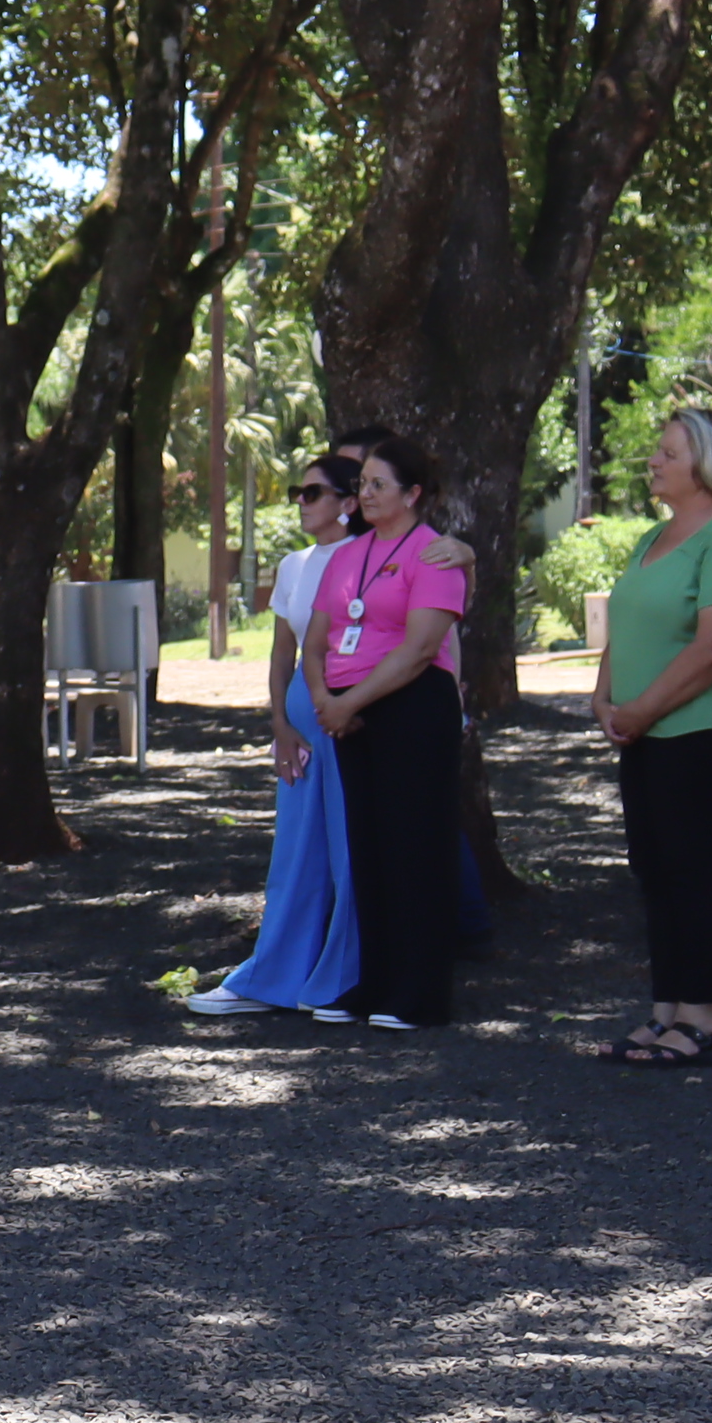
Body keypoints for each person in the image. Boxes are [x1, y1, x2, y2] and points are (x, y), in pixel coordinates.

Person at [580, 408, 712, 1066]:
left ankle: (703, 1021)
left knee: (695, 875)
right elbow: (628, 623)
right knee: (655, 874)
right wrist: (606, 698)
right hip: (644, 738)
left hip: (694, 737)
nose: (653, 461)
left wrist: (642, 709)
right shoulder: (652, 538)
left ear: (708, 462)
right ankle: (665, 1011)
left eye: (667, 452)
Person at [188, 456, 365, 1015]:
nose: (301, 502)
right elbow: (282, 652)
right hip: (302, 727)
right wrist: (280, 726)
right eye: (297, 491)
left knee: (351, 853)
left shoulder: (371, 556)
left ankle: (343, 981)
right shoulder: (294, 566)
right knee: (294, 855)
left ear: (348, 502)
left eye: (312, 492)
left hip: (354, 721)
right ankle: (272, 979)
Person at [310, 432, 468, 1030]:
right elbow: (318, 637)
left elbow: (421, 647)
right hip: (353, 711)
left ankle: (420, 992)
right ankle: (372, 981)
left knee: (415, 847)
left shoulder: (435, 554)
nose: (366, 494)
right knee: (368, 847)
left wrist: (352, 702)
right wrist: (327, 697)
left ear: (413, 494)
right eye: (362, 484)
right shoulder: (348, 555)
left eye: (379, 485)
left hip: (410, 707)